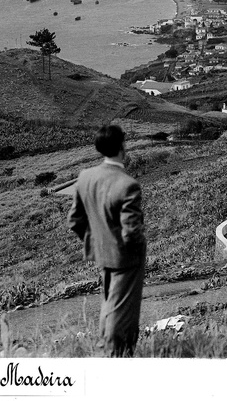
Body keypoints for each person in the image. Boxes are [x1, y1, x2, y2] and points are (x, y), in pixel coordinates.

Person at [68, 125, 146, 357]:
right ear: (122, 147)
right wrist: (138, 247)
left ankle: (109, 349)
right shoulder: (127, 184)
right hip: (126, 258)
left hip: (101, 254)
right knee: (123, 310)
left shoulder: (85, 177)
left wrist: (97, 242)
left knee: (109, 304)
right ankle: (114, 354)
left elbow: (75, 220)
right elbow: (131, 232)